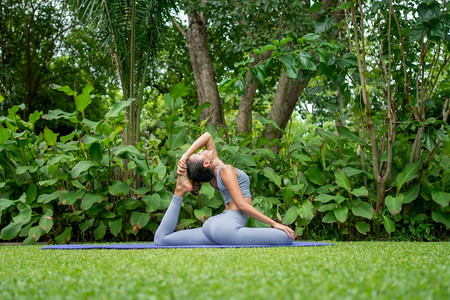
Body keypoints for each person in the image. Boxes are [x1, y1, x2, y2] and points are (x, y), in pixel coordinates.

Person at [154, 132, 295, 246]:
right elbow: (241, 204)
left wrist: (185, 156)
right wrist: (274, 223)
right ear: (206, 163)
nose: (201, 150)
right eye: (198, 154)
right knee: (286, 237)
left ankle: (179, 190)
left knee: (162, 239)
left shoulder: (215, 173)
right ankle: (180, 188)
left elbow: (207, 136)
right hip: (227, 228)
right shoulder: (225, 170)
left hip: (213, 225)